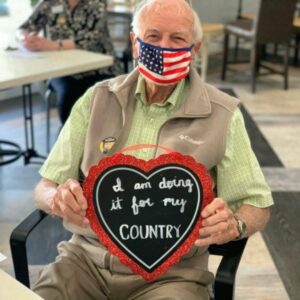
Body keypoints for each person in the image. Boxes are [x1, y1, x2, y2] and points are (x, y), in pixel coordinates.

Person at [33, 0, 273, 299]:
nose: (164, 47)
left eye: (178, 39)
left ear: (194, 49)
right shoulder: (96, 100)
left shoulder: (222, 113)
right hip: (85, 262)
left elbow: (257, 204)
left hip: (172, 275)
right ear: (135, 43)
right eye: (153, 36)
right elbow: (45, 186)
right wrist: (56, 197)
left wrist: (234, 224)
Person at [18, 0, 122, 124]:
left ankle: (97, 138)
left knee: (100, 97)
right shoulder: (50, 3)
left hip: (100, 68)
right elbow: (24, 27)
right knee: (68, 96)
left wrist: (51, 45)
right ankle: (71, 139)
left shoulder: (97, 3)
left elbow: (89, 38)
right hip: (63, 69)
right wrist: (25, 38)